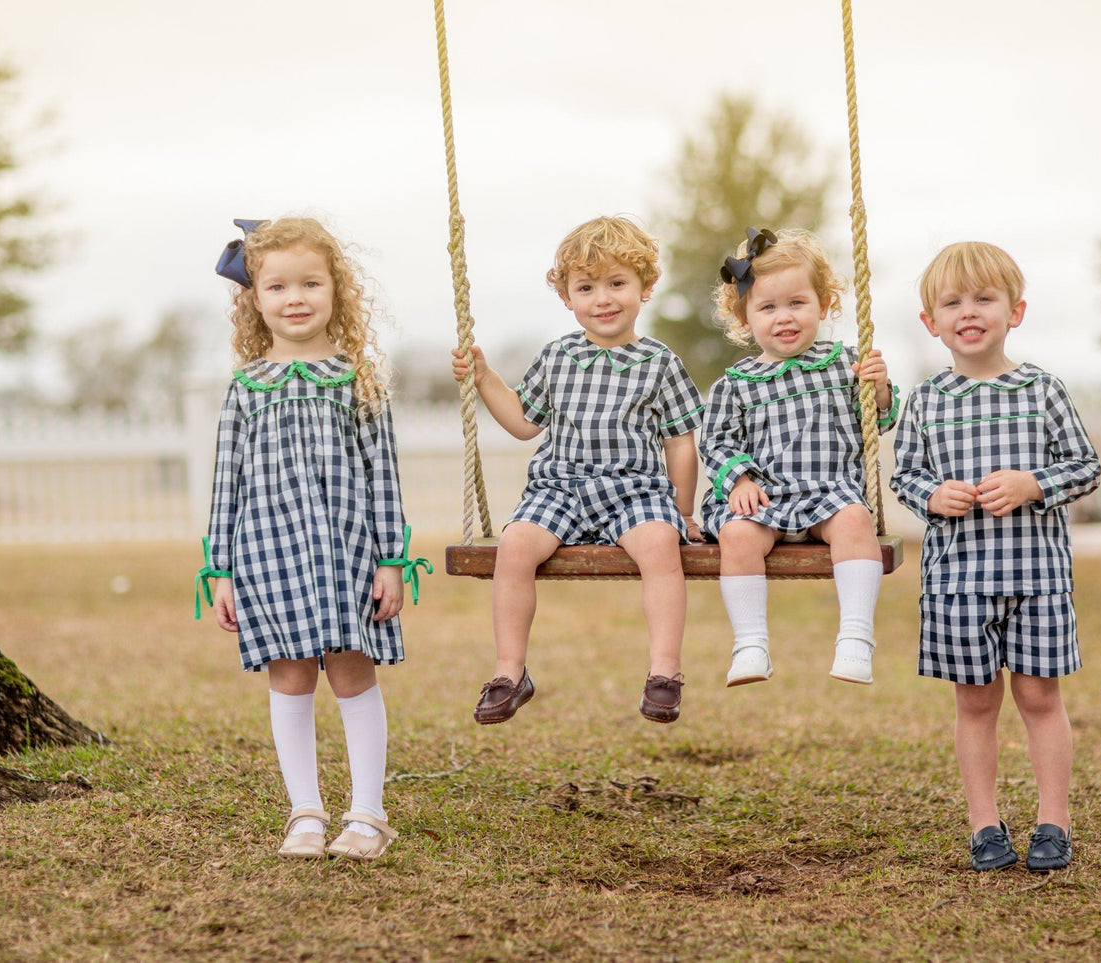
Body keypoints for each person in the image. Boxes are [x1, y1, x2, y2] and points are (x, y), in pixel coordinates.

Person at [195, 217, 429, 861]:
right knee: (290, 674)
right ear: (254, 298)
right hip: (265, 554)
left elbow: (384, 476)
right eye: (277, 286)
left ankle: (368, 815)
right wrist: (220, 571)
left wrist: (391, 560)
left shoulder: (357, 379)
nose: (294, 298)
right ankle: (304, 812)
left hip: (347, 553)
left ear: (336, 290)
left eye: (310, 283)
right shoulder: (245, 388)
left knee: (352, 670)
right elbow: (225, 484)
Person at [890, 241, 1100, 872]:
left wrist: (1034, 484)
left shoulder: (1042, 390)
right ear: (931, 322)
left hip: (1037, 578)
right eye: (952, 302)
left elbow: (1085, 465)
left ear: (1015, 312)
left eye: (984, 298)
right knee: (976, 702)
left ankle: (1054, 822)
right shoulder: (927, 399)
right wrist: (933, 495)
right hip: (958, 581)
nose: (969, 312)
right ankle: (985, 824)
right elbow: (905, 476)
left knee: (1039, 698)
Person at [451, 216, 703, 725]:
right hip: (559, 490)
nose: (602, 299)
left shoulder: (660, 362)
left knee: (660, 545)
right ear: (567, 297)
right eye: (586, 288)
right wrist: (485, 378)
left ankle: (664, 671)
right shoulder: (557, 356)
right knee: (515, 545)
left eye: (617, 283)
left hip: (635, 491)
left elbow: (680, 442)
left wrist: (682, 512)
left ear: (645, 287)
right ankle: (509, 672)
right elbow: (524, 423)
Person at [698, 228, 899, 688]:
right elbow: (716, 444)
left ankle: (855, 637)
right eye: (768, 307)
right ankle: (750, 643)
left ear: (823, 305)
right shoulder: (735, 384)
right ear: (744, 317)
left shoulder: (845, 364)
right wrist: (740, 481)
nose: (784, 317)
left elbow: (879, 422)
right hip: (766, 500)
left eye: (797, 303)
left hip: (830, 495)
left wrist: (880, 388)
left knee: (855, 520)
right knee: (737, 535)